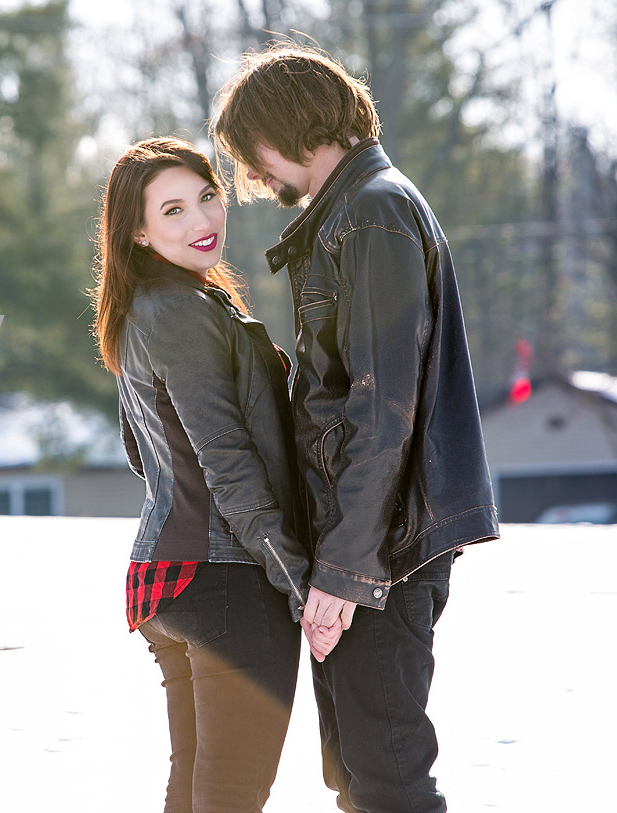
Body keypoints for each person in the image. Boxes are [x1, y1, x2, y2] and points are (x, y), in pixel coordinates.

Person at [211, 45, 500, 813]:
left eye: (255, 153)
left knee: (387, 772)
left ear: (289, 126)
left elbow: (382, 407)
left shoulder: (371, 211)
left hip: (381, 549)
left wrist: (345, 568)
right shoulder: (349, 209)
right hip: (365, 541)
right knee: (359, 774)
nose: (259, 175)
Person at [90, 136, 326, 813]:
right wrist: (296, 581)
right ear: (136, 231)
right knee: (229, 797)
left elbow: (147, 450)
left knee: (197, 794)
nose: (202, 221)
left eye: (206, 196)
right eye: (173, 211)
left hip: (171, 580)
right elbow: (226, 463)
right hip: (224, 580)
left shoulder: (145, 308)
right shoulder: (184, 313)